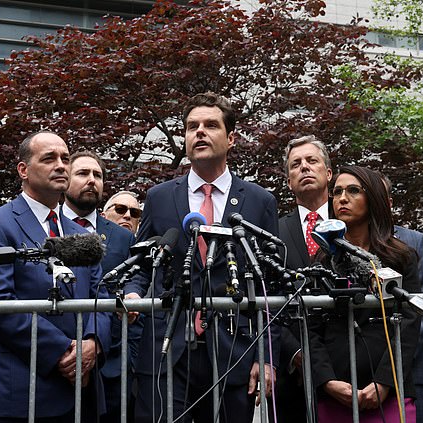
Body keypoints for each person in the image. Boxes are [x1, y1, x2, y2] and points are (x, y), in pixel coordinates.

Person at [124, 92, 280, 422]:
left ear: (231, 137)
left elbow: (270, 285)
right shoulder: (160, 197)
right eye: (192, 126)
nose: (199, 132)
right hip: (167, 347)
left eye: (210, 125)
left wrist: (267, 357)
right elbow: (142, 260)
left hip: (234, 350)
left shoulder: (259, 200)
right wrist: (133, 292)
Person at [0, 131, 111, 422]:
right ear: (23, 170)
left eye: (65, 159)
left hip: (80, 396)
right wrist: (64, 352)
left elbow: (101, 298)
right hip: (18, 392)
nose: (61, 165)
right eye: (49, 158)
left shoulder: (84, 235)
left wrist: (93, 343)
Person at [310, 165, 421, 421]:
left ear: (373, 198)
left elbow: (409, 324)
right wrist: (326, 380)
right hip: (335, 391)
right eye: (336, 192)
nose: (342, 198)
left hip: (389, 392)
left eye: (352, 191)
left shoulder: (401, 257)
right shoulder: (321, 262)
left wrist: (385, 381)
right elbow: (311, 328)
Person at [60, 150, 141, 422]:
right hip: (58, 358)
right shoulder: (47, 228)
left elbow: (134, 278)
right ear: (64, 179)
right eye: (83, 173)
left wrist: (132, 293)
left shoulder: (120, 236)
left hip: (110, 364)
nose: (92, 180)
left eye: (98, 175)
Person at [273, 135, 334, 423]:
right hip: (292, 374)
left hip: (348, 364)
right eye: (295, 165)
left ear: (329, 172)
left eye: (312, 161)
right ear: (288, 181)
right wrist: (294, 351)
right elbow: (268, 297)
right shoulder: (272, 229)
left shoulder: (351, 224)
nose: (304, 168)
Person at [382, 174, 423, 423]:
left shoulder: (415, 241)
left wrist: (396, 354)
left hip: (411, 370)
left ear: (389, 202)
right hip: (362, 373)